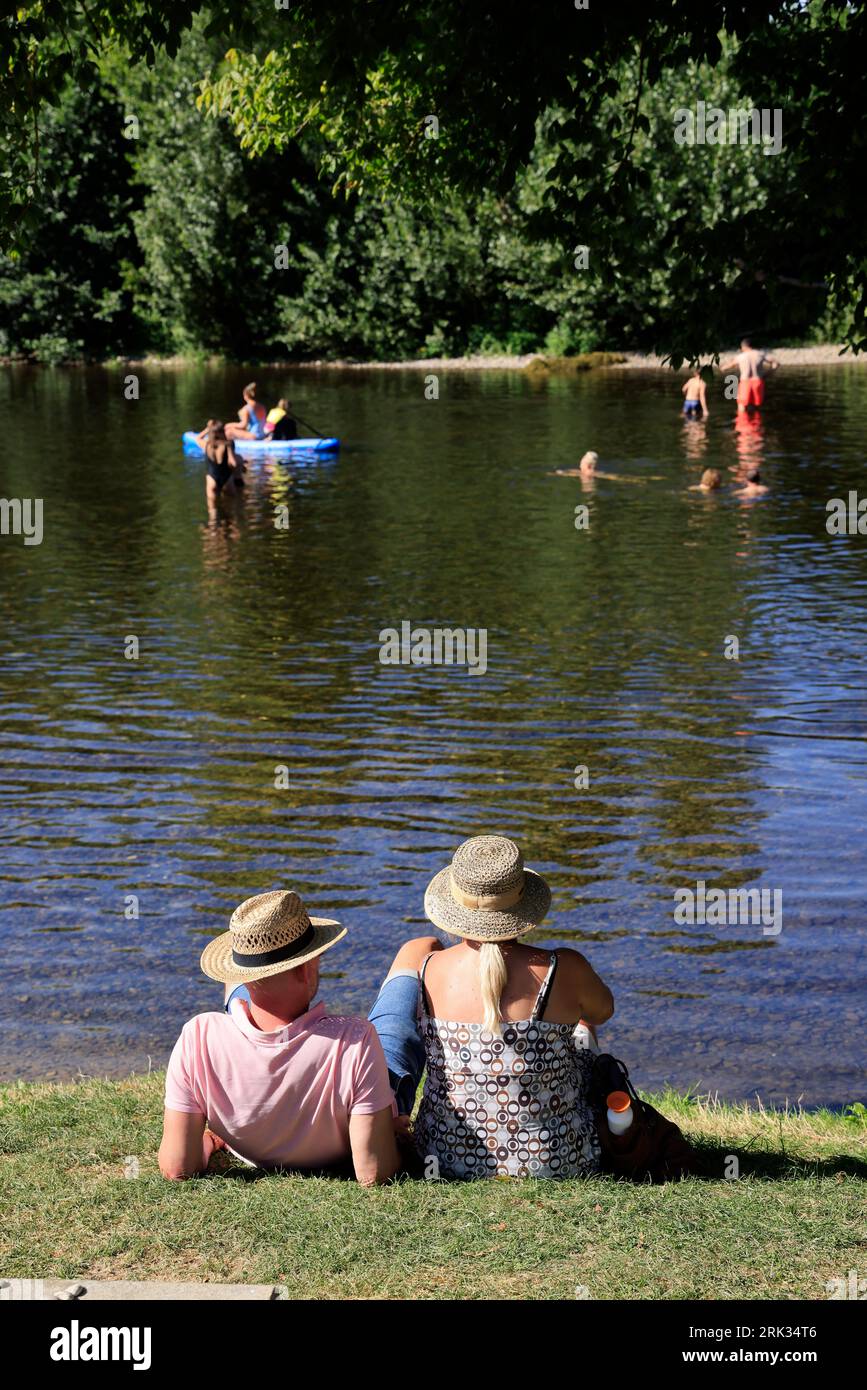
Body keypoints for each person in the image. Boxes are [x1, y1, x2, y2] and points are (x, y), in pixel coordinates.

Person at [368, 835, 614, 1179]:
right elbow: (603, 1011)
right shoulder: (565, 968)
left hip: (441, 1156)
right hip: (557, 1160)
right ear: (523, 903)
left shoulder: (428, 968)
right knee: (583, 1028)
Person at [159, 890, 400, 1186]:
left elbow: (176, 1168)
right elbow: (374, 1172)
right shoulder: (355, 1040)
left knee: (237, 997)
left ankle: (246, 996)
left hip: (249, 1132)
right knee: (414, 954)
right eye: (318, 958)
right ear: (304, 969)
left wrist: (211, 1141)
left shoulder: (198, 1036)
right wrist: (395, 1133)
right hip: (361, 1101)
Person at [720, 338, 779, 413]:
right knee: (756, 407)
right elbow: (776, 363)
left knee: (742, 407)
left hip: (745, 382)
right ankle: (756, 423)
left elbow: (727, 366)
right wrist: (768, 374)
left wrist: (722, 368)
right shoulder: (760, 354)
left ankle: (743, 423)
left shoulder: (741, 356)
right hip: (758, 382)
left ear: (744, 346)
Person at [196, 419, 244, 502]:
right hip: (227, 479)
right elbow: (234, 463)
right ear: (223, 431)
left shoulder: (207, 444)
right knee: (232, 506)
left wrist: (207, 429)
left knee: (212, 510)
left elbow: (198, 438)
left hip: (211, 479)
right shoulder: (228, 444)